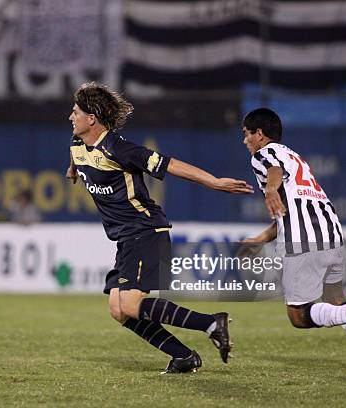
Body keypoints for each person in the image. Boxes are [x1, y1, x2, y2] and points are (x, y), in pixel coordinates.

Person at [66, 82, 254, 374]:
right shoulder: (78, 144)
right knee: (118, 310)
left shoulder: (118, 148)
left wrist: (214, 182)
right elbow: (77, 158)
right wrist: (73, 170)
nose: (70, 116)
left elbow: (170, 165)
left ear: (92, 118)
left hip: (146, 231)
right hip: (127, 238)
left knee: (128, 303)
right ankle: (183, 356)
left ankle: (210, 323)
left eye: (76, 112)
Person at [240, 108, 346, 370]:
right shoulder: (296, 158)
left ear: (259, 134)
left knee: (299, 315)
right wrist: (263, 237)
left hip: (303, 238)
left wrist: (270, 190)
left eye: (246, 134)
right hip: (330, 230)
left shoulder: (265, 153)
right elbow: (287, 208)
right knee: (334, 301)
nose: (244, 141)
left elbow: (273, 169)